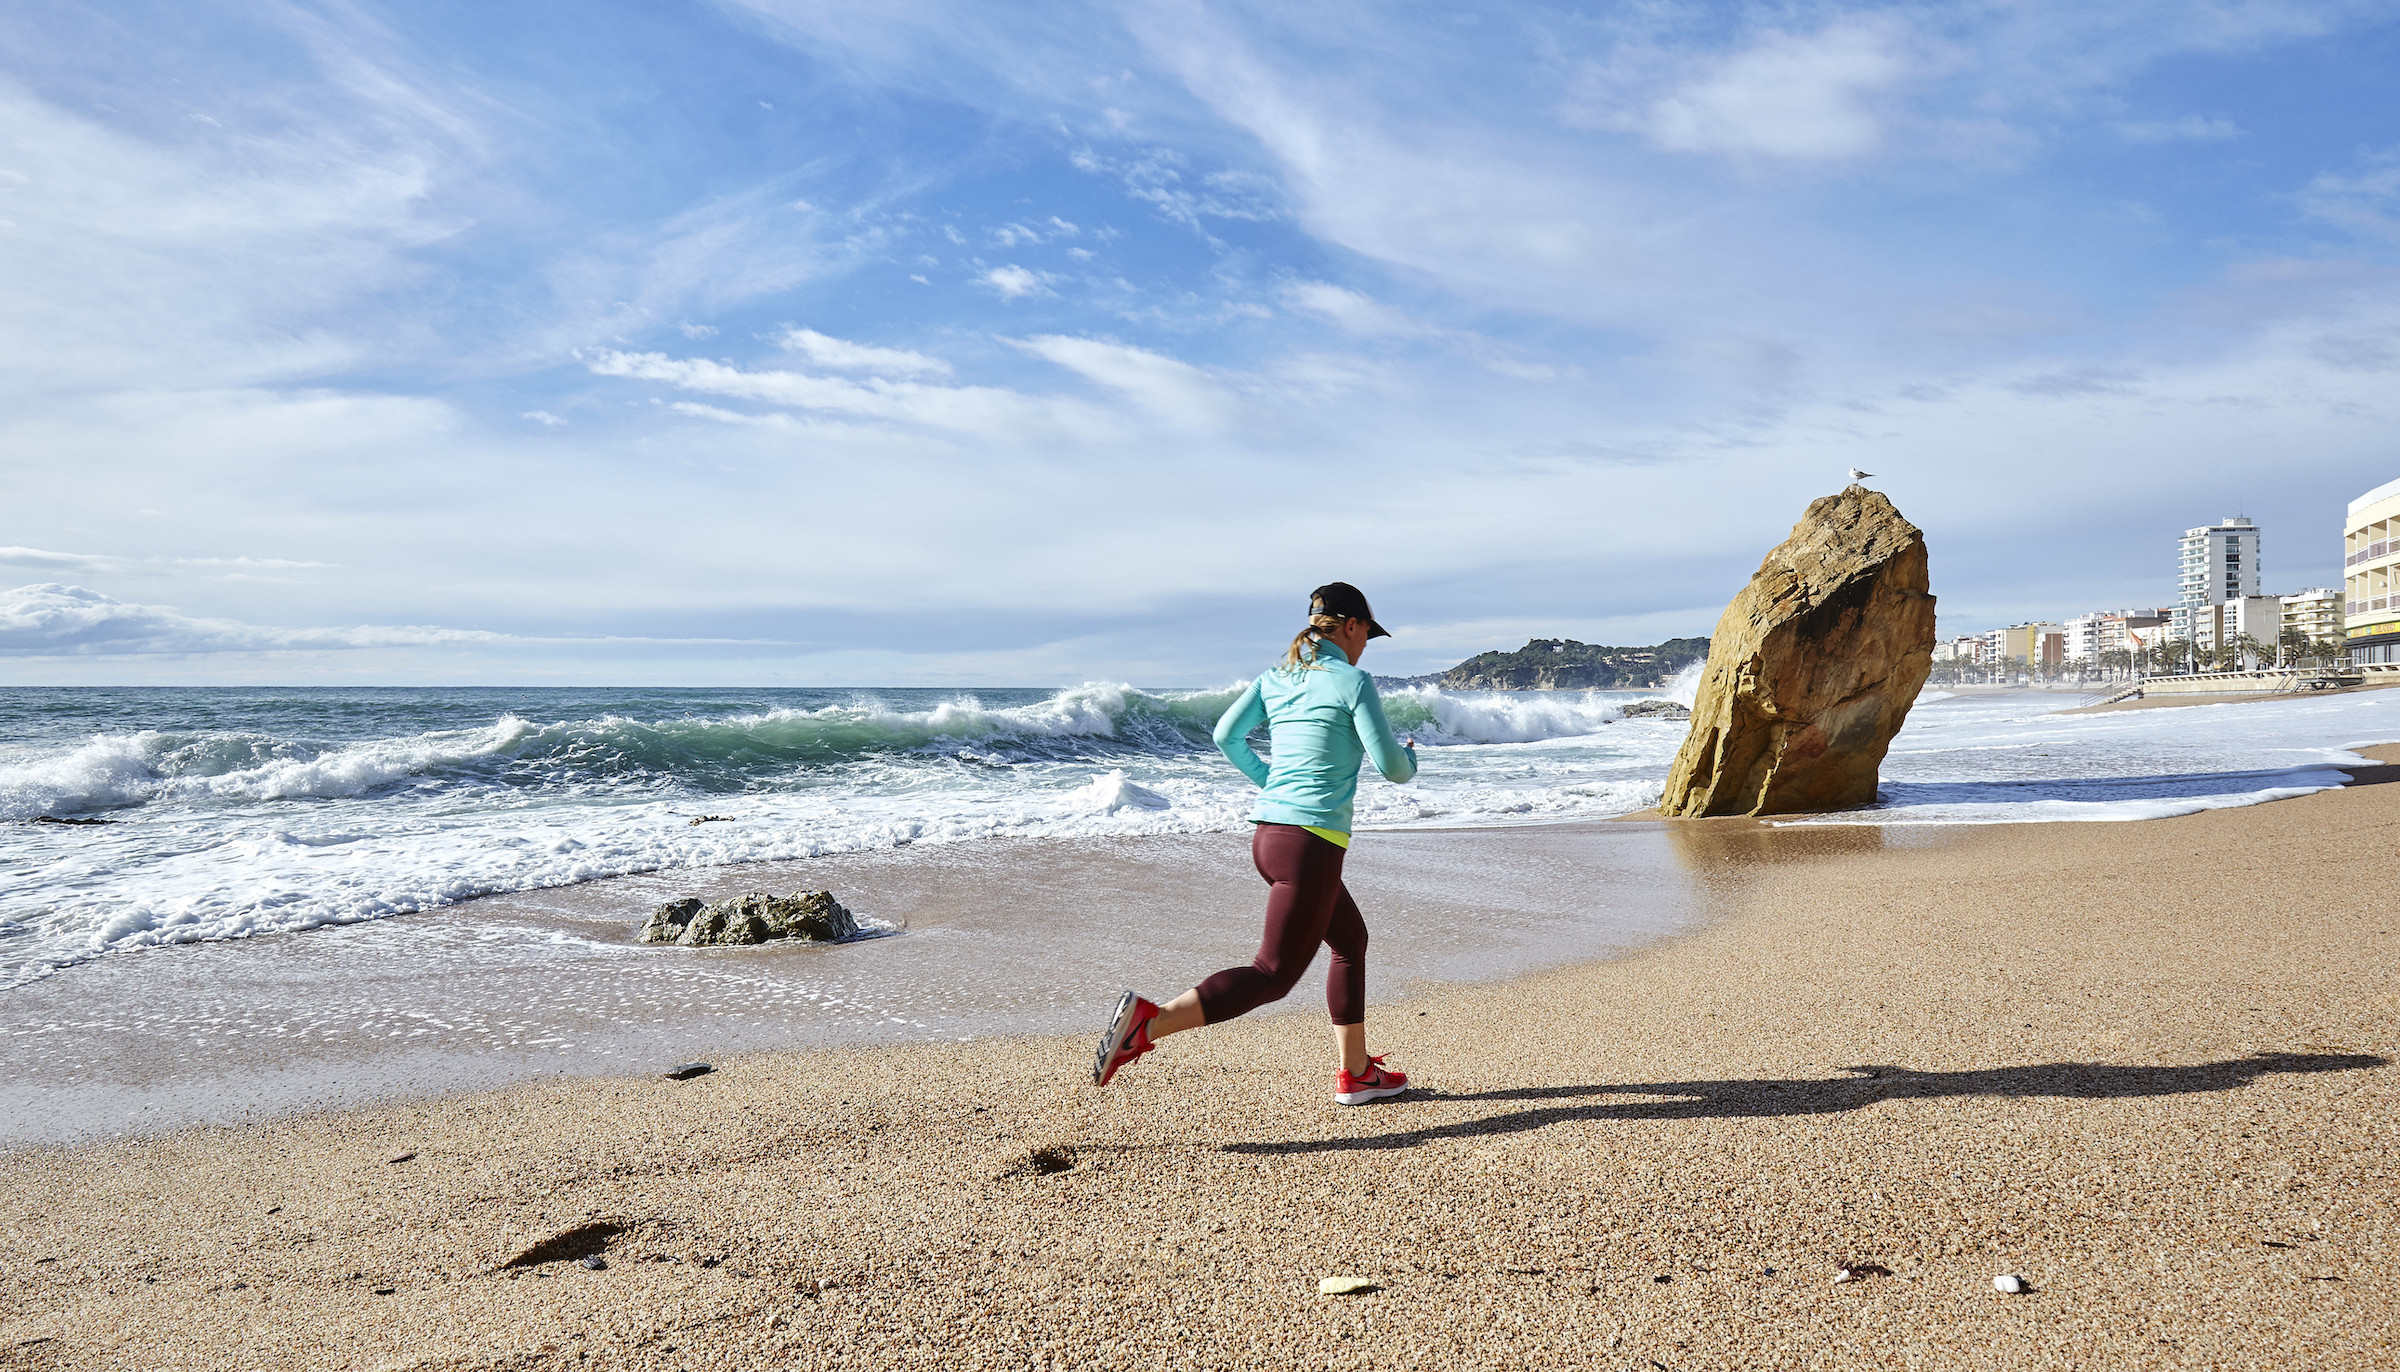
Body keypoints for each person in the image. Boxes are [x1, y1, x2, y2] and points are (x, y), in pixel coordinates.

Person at [1092, 582, 1420, 1105]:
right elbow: (1393, 768)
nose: (1365, 645)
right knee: (1272, 974)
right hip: (1310, 844)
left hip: (1271, 837)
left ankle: (1357, 1072)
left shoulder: (1276, 676)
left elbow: (1226, 735)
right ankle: (1148, 1024)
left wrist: (1273, 783)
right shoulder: (1353, 681)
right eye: (1366, 635)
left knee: (1350, 941)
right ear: (1351, 626)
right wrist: (1411, 755)